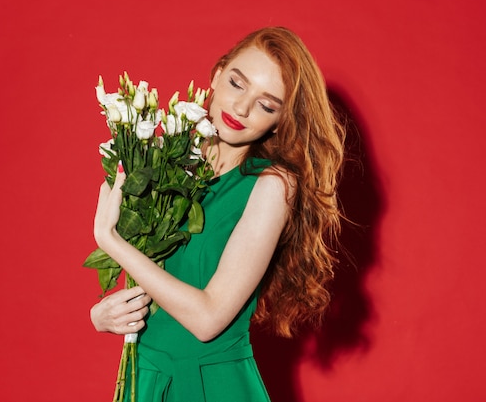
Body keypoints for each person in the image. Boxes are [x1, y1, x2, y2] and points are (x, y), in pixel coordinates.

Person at [91, 26, 347, 401]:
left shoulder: (272, 186)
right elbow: (146, 277)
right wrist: (102, 316)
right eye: (237, 83)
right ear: (217, 73)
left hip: (212, 388)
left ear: (279, 120)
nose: (241, 108)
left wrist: (110, 241)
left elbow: (208, 318)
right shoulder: (162, 156)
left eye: (267, 105)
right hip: (143, 377)